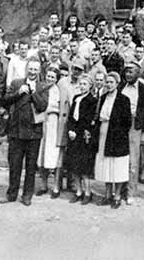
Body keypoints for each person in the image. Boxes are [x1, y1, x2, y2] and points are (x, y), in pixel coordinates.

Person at [1, 58, 49, 206]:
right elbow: (5, 100)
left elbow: (42, 107)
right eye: (31, 68)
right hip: (16, 131)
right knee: (14, 165)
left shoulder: (43, 86)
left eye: (36, 69)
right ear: (26, 68)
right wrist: (18, 92)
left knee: (30, 167)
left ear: (39, 71)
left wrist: (34, 93)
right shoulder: (16, 83)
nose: (33, 72)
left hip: (34, 133)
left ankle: (27, 195)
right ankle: (11, 194)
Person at [94, 72, 132, 208]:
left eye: (111, 82)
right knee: (106, 165)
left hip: (117, 136)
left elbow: (128, 121)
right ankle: (108, 194)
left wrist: (119, 132)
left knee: (117, 166)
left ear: (117, 84)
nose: (108, 84)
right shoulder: (103, 98)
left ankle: (117, 195)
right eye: (107, 82)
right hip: (104, 133)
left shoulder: (123, 100)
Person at [120, 61, 144, 205]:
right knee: (120, 158)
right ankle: (119, 190)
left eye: (131, 71)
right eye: (126, 71)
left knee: (133, 161)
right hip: (121, 125)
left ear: (138, 73)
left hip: (135, 126)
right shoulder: (121, 87)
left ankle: (131, 192)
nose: (128, 74)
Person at [65, 74, 97, 205]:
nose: (82, 86)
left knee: (84, 167)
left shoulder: (92, 101)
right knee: (74, 166)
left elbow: (87, 120)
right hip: (74, 136)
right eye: (81, 84)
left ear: (90, 86)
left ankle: (88, 192)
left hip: (83, 137)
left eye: (85, 84)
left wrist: (78, 131)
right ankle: (78, 191)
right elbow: (72, 117)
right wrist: (70, 130)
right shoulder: (76, 98)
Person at [55, 58, 85, 198]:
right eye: (75, 69)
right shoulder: (62, 83)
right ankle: (57, 183)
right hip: (63, 120)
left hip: (75, 124)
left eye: (80, 70)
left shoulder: (83, 84)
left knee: (73, 153)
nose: (76, 72)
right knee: (61, 153)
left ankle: (72, 183)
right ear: (71, 68)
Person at [36, 67, 61, 196]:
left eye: (52, 77)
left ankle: (56, 186)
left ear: (56, 79)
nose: (49, 79)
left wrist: (48, 109)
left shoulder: (57, 91)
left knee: (53, 153)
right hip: (42, 122)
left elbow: (58, 107)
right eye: (48, 76)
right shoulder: (41, 88)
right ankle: (43, 184)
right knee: (42, 154)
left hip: (53, 122)